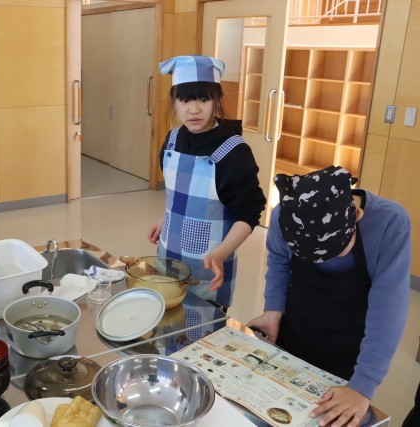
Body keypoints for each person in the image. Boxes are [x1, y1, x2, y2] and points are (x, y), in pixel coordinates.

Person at [248, 165, 411, 427]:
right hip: (295, 327)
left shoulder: (389, 223)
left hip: (349, 343)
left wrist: (362, 386)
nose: (323, 263)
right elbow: (278, 260)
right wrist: (273, 311)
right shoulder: (285, 214)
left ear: (356, 216)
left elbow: (389, 309)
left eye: (334, 252)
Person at [147, 55, 266, 310]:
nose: (194, 109)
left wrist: (221, 253)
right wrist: (167, 219)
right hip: (168, 258)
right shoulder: (172, 141)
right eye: (185, 100)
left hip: (209, 268)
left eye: (203, 99)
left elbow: (249, 213)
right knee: (166, 321)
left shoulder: (234, 152)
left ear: (216, 100)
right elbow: (181, 197)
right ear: (174, 102)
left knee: (202, 329)